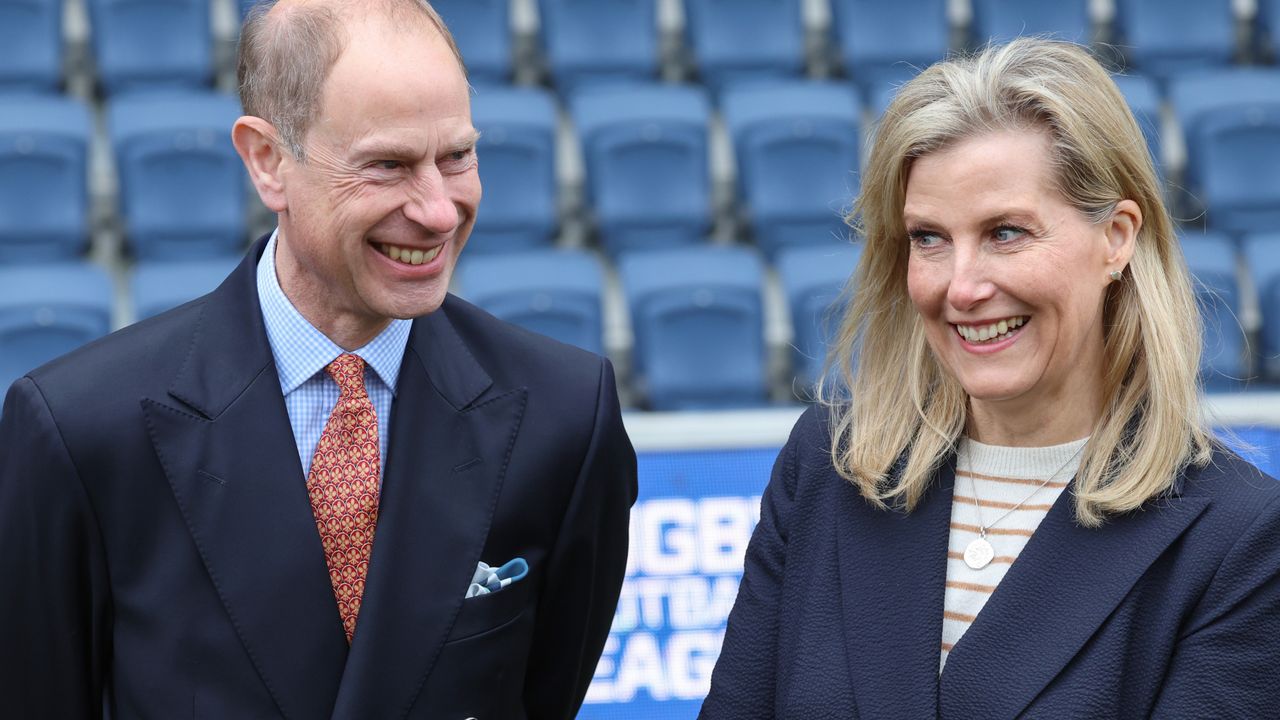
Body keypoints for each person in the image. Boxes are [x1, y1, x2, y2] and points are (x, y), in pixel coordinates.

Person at [0, 1, 636, 717]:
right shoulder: (81, 430)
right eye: (388, 165)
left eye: (456, 156)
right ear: (268, 161)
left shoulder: (565, 415)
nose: (438, 211)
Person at [700, 38, 1280, 718]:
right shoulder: (827, 470)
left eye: (1006, 232)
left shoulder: (1238, 541)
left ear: (1116, 238)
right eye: (929, 238)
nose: (962, 287)